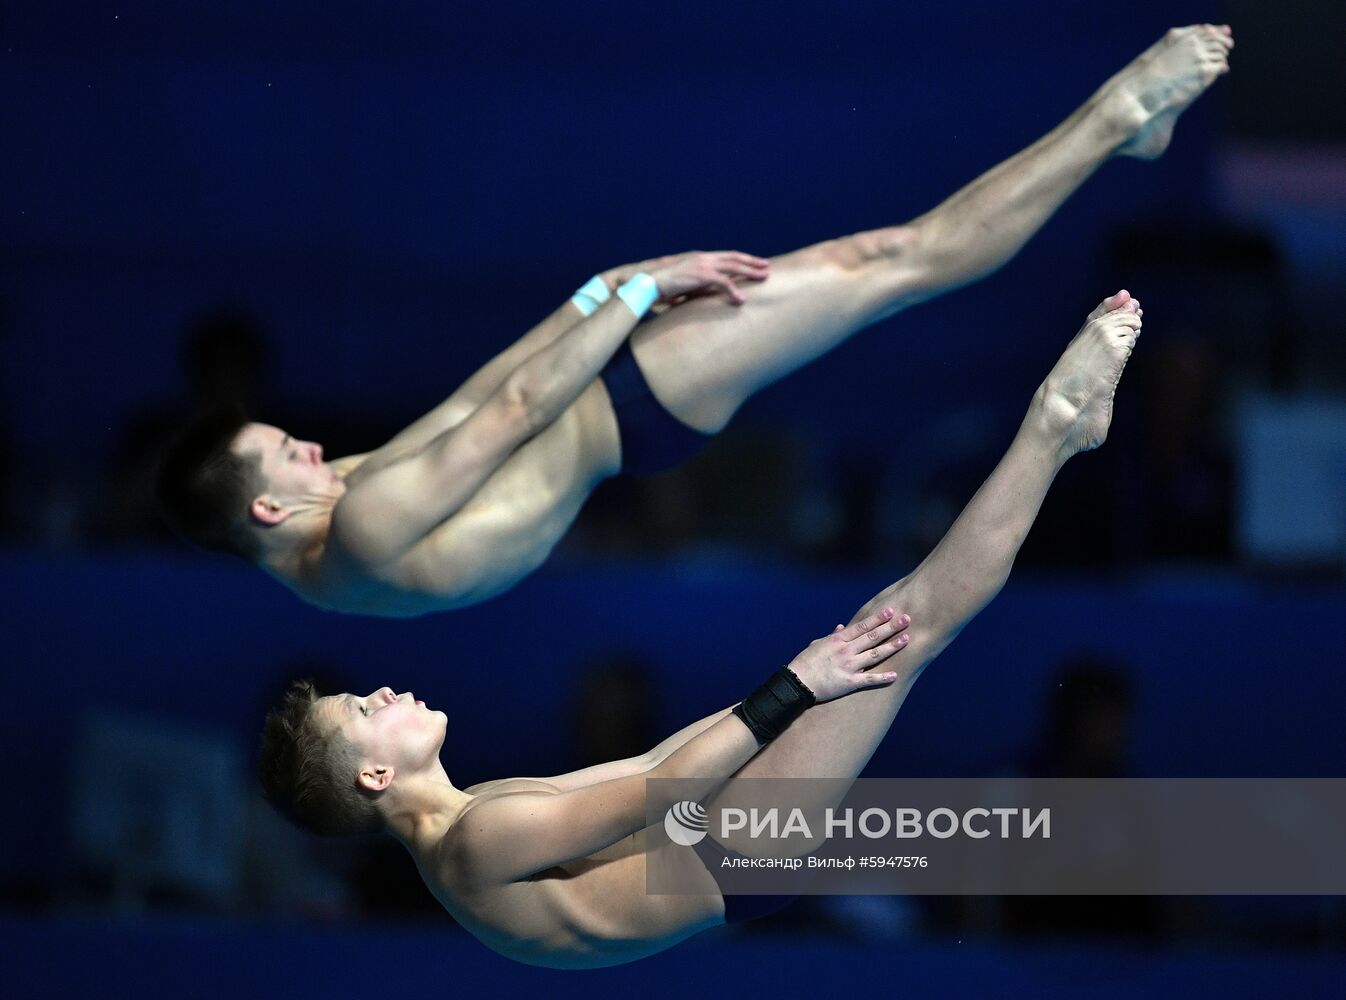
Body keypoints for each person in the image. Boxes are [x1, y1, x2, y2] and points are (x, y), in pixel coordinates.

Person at [160, 26, 1229, 617]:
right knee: (891, 261)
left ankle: (1113, 132)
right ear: (261, 510)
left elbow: (473, 398)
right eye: (280, 452)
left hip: (615, 401)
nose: (303, 440)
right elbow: (518, 406)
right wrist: (628, 293)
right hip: (628, 401)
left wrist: (603, 285)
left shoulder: (326, 551)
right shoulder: (357, 525)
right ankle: (1118, 119)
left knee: (883, 264)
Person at [258, 292, 1143, 966]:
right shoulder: (473, 842)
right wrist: (799, 686)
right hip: (731, 849)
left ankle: (1058, 431)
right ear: (375, 774)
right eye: (363, 710)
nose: (379, 692)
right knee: (906, 626)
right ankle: (1057, 427)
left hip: (711, 829)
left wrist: (776, 705)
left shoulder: (470, 824)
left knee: (896, 620)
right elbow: (661, 798)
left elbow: (648, 774)